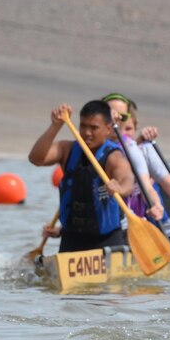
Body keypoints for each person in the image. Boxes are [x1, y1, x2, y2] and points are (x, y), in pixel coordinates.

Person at [28, 100, 134, 253]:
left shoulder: (113, 156)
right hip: (72, 239)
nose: (87, 133)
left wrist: (120, 188)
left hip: (107, 241)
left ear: (108, 128)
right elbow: (36, 158)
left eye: (94, 128)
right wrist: (56, 125)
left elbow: (127, 179)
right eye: (83, 126)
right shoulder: (67, 149)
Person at [108, 93, 170, 245]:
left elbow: (168, 187)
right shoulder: (103, 150)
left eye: (128, 128)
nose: (122, 132)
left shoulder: (140, 151)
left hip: (167, 232)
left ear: (135, 127)